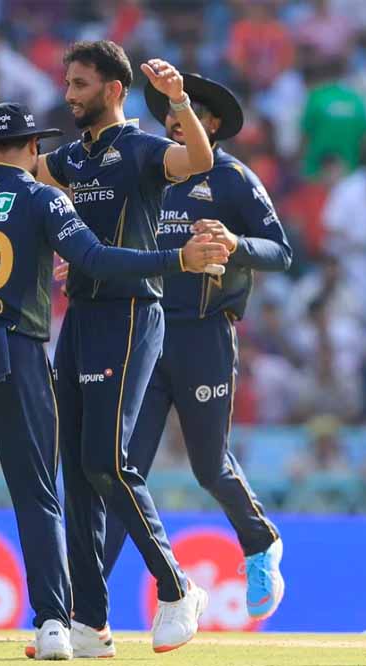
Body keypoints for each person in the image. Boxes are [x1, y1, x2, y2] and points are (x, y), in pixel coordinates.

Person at [0, 102, 228, 660]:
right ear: (33, 148)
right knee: (36, 492)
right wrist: (177, 260)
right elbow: (95, 259)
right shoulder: (42, 197)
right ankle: (53, 624)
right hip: (14, 351)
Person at [98, 73, 292, 621]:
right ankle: (84, 603)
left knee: (209, 466)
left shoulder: (232, 179)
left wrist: (235, 243)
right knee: (122, 470)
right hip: (145, 331)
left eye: (187, 112)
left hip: (204, 334)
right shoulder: (150, 171)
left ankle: (260, 543)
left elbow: (281, 251)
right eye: (167, 112)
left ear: (212, 124)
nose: (172, 121)